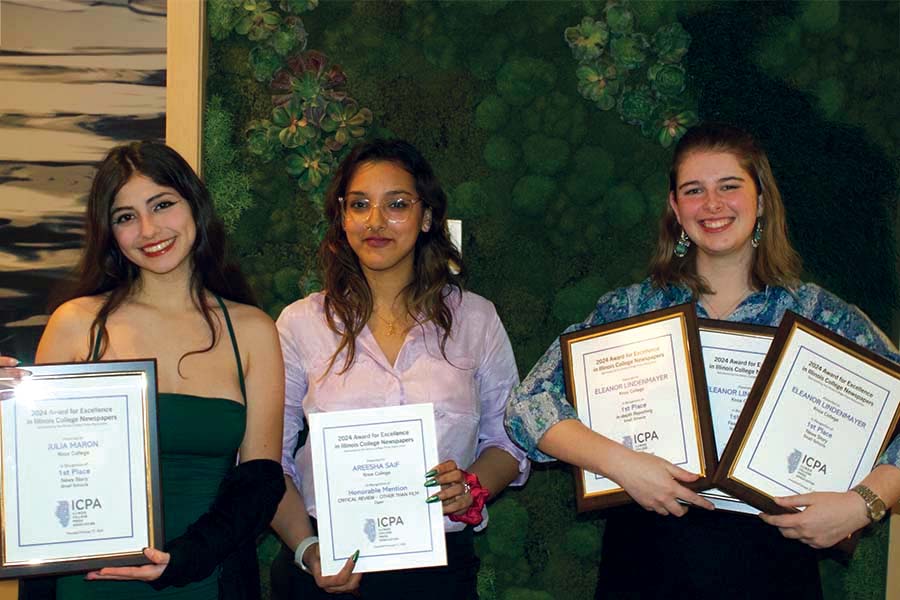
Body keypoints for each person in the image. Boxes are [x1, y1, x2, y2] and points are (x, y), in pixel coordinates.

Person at [505, 122, 900, 598]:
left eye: (729, 187)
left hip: (775, 569)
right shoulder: (631, 309)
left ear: (762, 199)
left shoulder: (821, 315)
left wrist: (866, 503)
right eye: (694, 191)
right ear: (675, 208)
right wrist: (624, 464)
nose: (712, 205)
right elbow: (527, 405)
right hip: (647, 563)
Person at [10, 141, 286, 599]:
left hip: (202, 577)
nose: (148, 229)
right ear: (109, 232)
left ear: (194, 204)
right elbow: (32, 472)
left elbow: (259, 481)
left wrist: (184, 558)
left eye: (162, 205)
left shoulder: (252, 331)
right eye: (125, 217)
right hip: (86, 583)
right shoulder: (76, 324)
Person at [269, 139, 529, 599]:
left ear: (426, 217)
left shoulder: (477, 319)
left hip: (440, 571)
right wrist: (309, 549)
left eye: (397, 204)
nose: (375, 221)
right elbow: (267, 460)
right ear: (342, 218)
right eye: (360, 205)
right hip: (326, 564)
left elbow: (507, 439)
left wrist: (473, 487)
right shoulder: (300, 323)